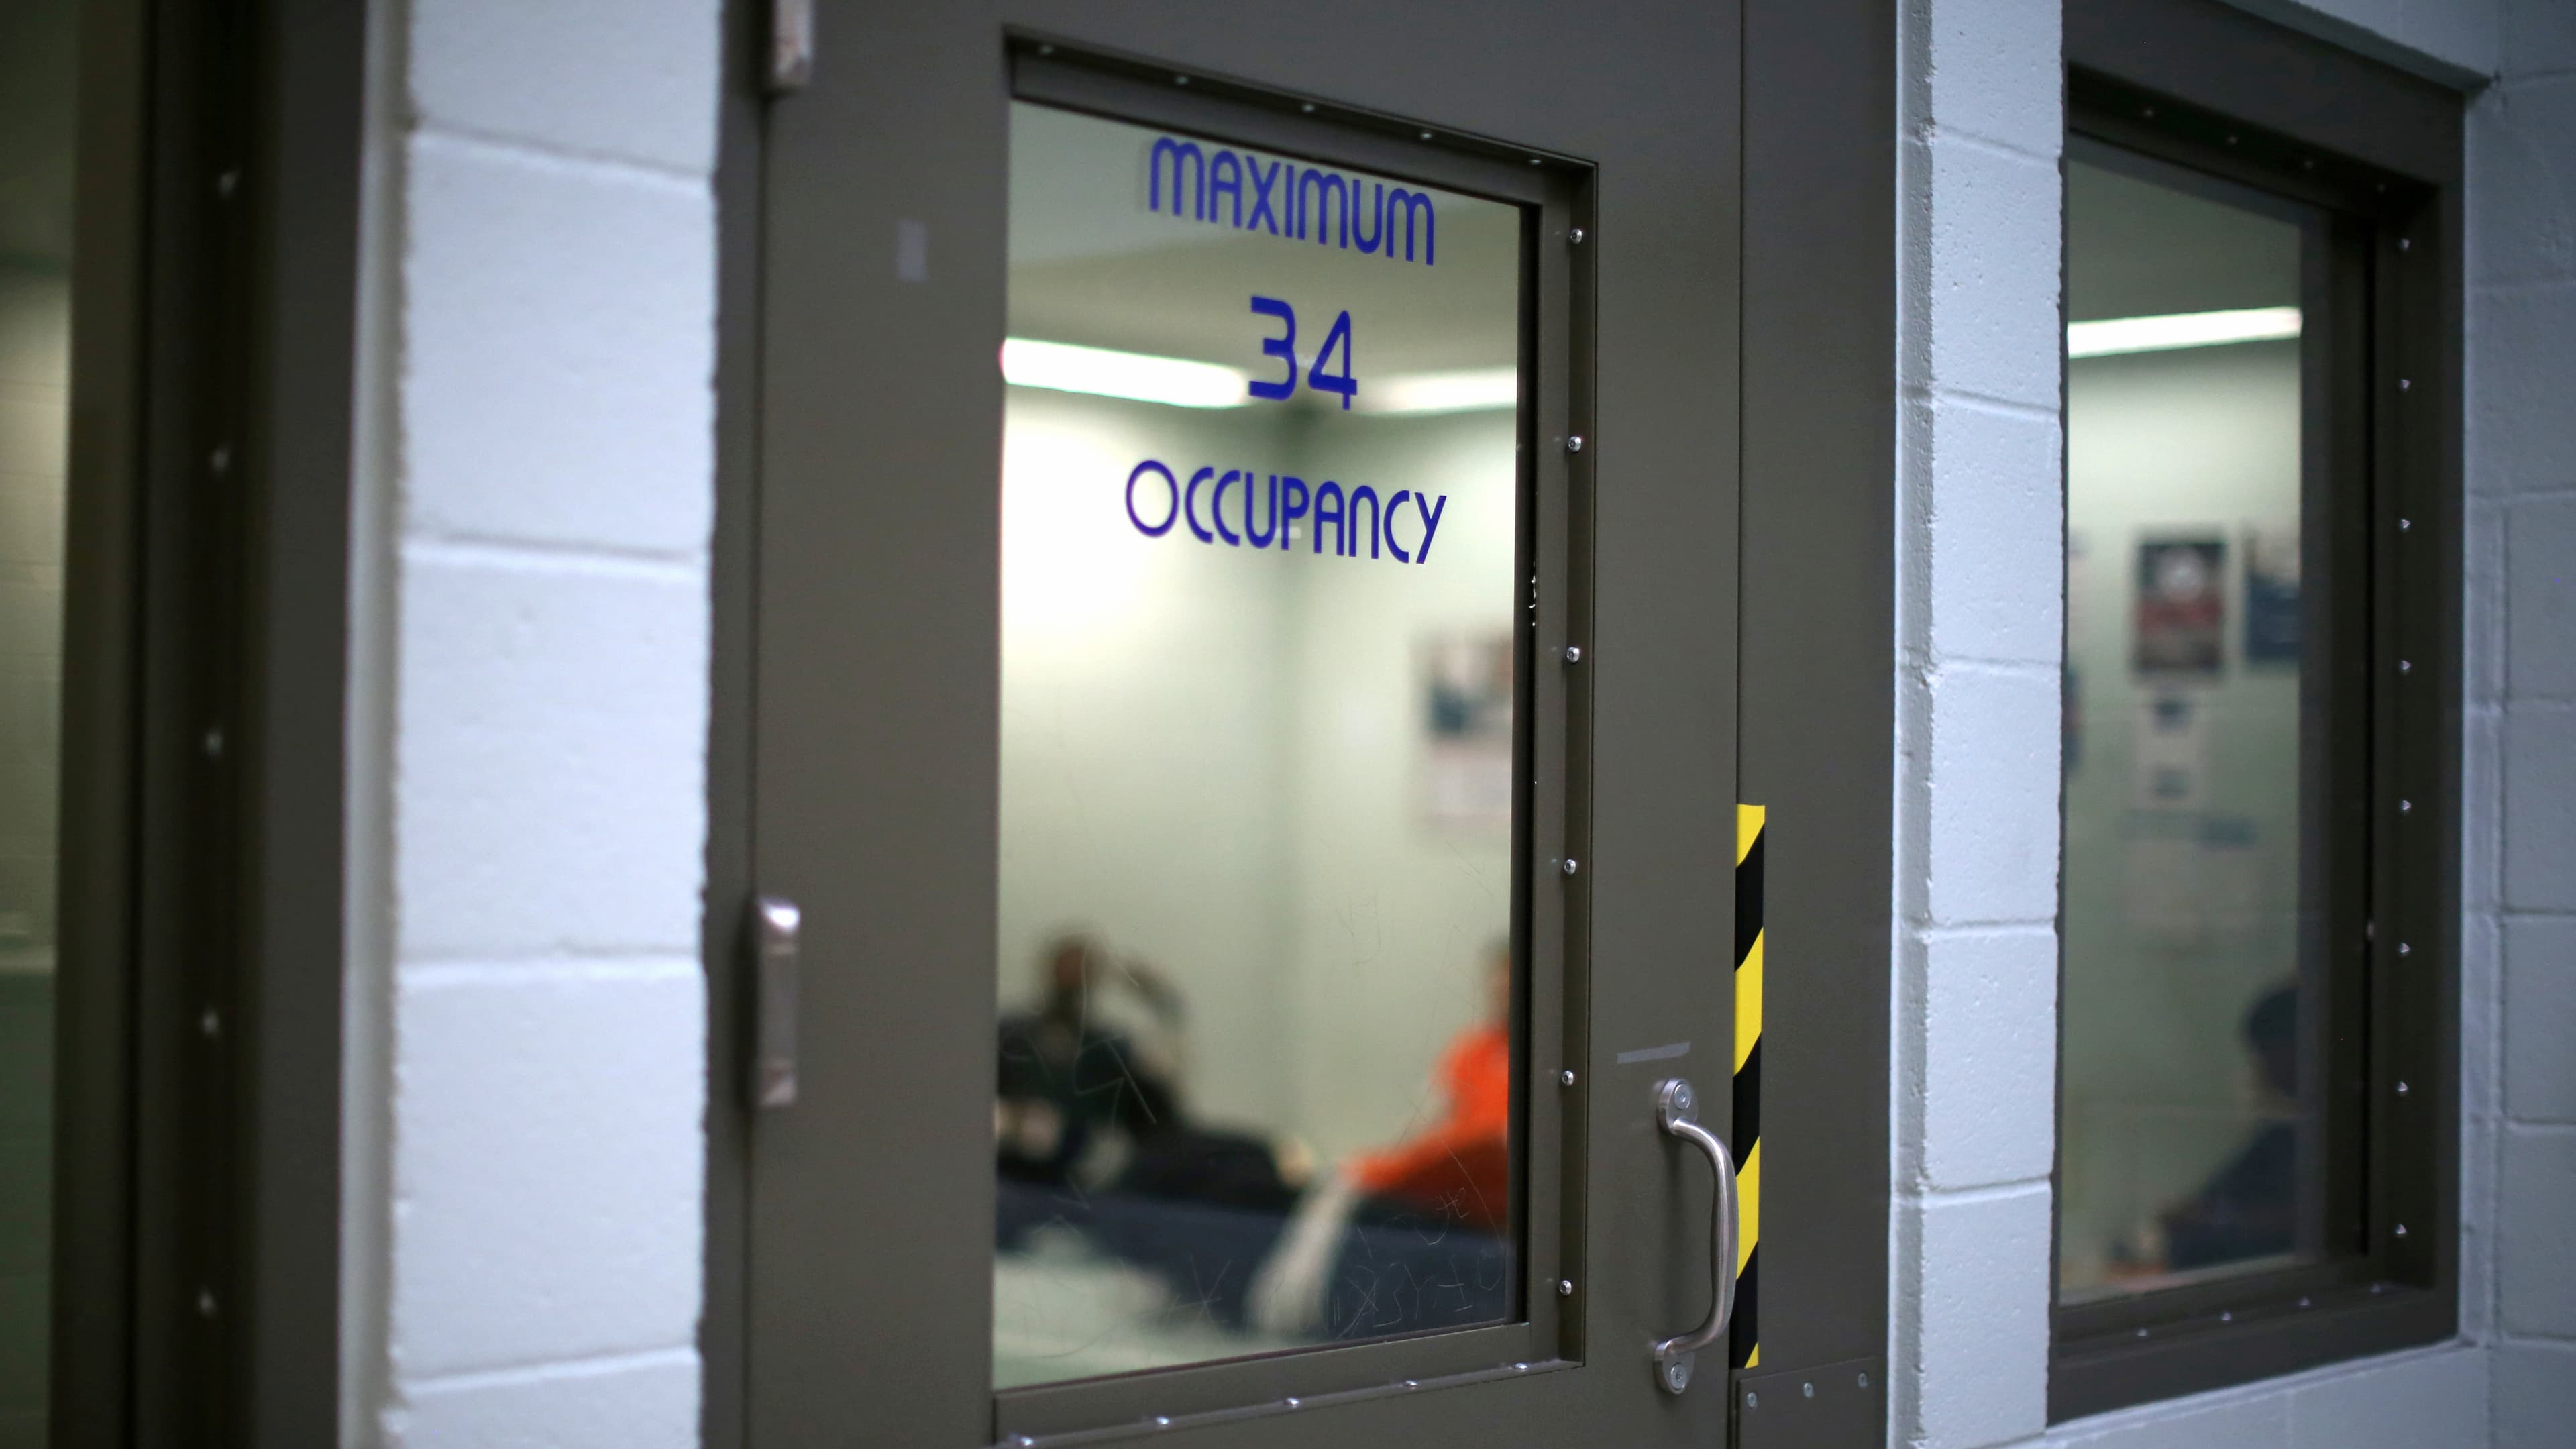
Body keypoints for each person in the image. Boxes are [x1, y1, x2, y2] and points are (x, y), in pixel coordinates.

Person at [2158, 983, 2302, 1272]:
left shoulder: (2322, 1141)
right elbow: (2204, 1207)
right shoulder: (2280, 1137)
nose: (2261, 1071)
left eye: (2267, 1056)